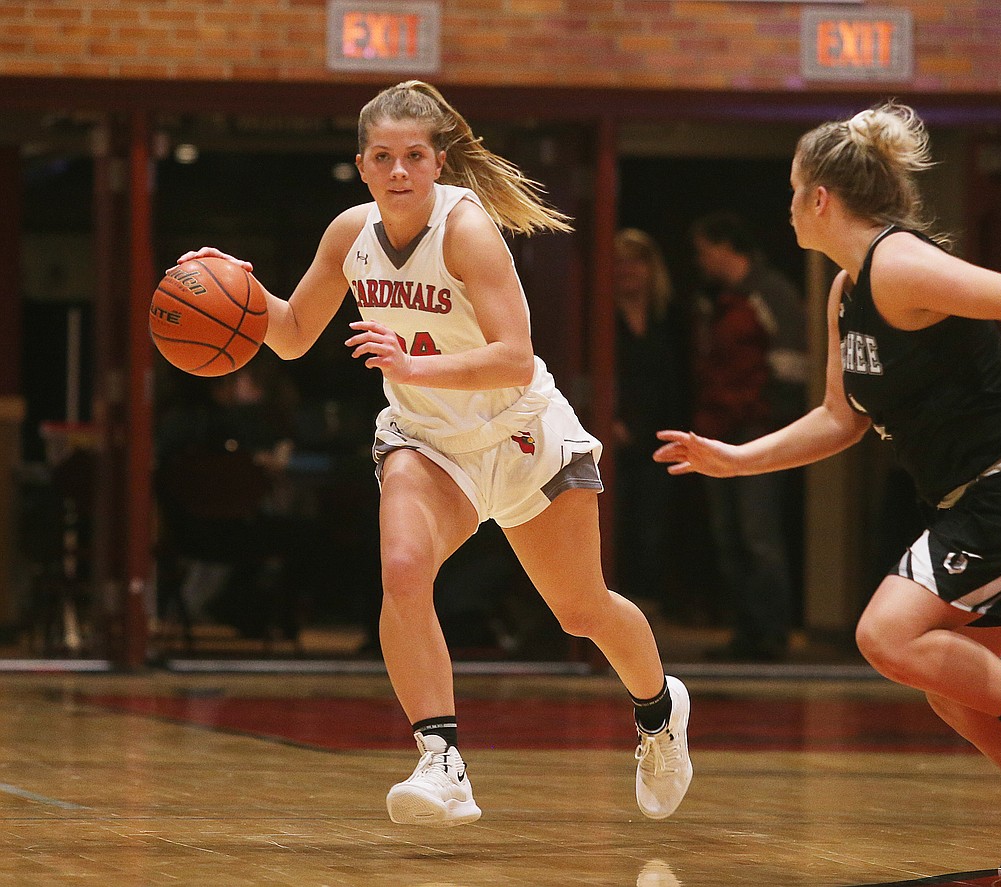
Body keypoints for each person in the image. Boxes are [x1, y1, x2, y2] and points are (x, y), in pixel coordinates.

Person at [178, 80, 691, 827]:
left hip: (520, 434)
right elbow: (289, 334)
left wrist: (410, 364)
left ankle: (658, 710)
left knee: (581, 610)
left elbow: (515, 357)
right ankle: (441, 760)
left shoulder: (467, 231)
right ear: (360, 165)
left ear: (438, 161)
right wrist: (233, 290)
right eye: (382, 157)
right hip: (426, 439)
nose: (398, 172)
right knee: (404, 569)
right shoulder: (348, 234)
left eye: (413, 156)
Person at [654, 102, 1001, 883]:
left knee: (886, 635)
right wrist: (736, 459)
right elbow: (838, 418)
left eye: (789, 190)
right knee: (953, 694)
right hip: (981, 498)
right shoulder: (846, 290)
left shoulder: (897, 263)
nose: (784, 206)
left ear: (819, 199)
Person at [688, 211, 808, 660]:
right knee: (730, 535)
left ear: (724, 247)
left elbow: (794, 366)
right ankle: (745, 632)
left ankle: (772, 634)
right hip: (718, 429)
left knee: (759, 534)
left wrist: (768, 420)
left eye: (703, 251)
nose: (699, 261)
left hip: (757, 431)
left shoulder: (770, 293)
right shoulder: (713, 299)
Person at [612, 229, 689, 615]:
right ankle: (619, 609)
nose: (628, 270)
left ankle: (651, 606)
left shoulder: (670, 317)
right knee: (618, 522)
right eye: (620, 262)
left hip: (663, 436)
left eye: (636, 261)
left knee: (656, 525)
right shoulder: (601, 319)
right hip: (613, 439)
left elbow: (681, 378)